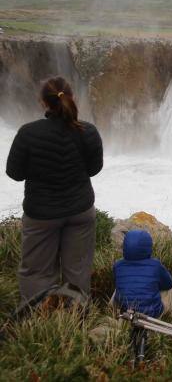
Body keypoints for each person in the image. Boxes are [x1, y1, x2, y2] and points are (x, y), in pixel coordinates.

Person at [5, 76, 103, 303]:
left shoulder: (28, 133)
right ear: (72, 97)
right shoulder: (88, 131)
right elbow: (94, 169)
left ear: (43, 103)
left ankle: (38, 324)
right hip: (80, 211)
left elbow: (15, 173)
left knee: (37, 273)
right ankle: (75, 322)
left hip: (41, 214)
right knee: (77, 272)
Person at [113, 230, 172, 317]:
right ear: (148, 246)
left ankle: (113, 311)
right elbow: (169, 284)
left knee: (119, 288)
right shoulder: (155, 265)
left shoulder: (118, 265)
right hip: (152, 314)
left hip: (126, 313)